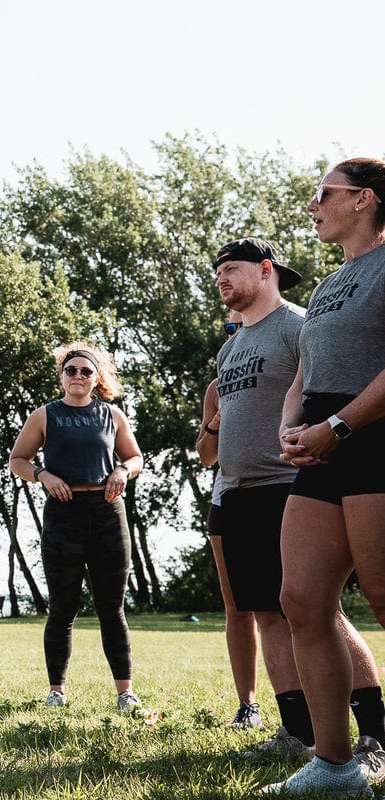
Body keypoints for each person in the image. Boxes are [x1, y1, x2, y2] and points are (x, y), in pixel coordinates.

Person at [209, 239, 385, 771]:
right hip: (238, 490)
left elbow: (327, 383)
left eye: (231, 269)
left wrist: (321, 433)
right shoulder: (230, 347)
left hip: (290, 481)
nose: (221, 279)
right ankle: (299, 732)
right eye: (217, 271)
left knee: (322, 609)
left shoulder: (297, 323)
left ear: (265, 271)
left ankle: (373, 731)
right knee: (272, 611)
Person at [269, 159, 385, 797]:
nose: (313, 205)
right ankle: (336, 768)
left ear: (363, 199)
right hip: (321, 446)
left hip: (372, 440)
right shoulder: (328, 285)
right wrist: (293, 426)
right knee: (303, 600)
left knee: (383, 595)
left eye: (324, 193)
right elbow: (303, 374)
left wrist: (337, 426)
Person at [8, 342, 143, 711]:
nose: (78, 376)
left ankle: (125, 693)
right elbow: (17, 460)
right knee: (62, 608)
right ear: (62, 376)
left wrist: (122, 470)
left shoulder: (112, 415)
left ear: (97, 378)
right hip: (63, 514)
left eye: (86, 371)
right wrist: (43, 475)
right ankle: (57, 692)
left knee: (112, 608)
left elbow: (135, 457)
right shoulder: (44, 415)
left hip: (107, 513)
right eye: (71, 370)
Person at [195, 312, 262, 729]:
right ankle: (248, 706)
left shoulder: (284, 361)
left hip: (280, 492)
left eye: (242, 326)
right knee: (237, 607)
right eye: (229, 328)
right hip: (227, 498)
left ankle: (303, 710)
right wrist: (216, 424)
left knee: (292, 608)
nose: (236, 333)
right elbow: (205, 455)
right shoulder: (216, 387)